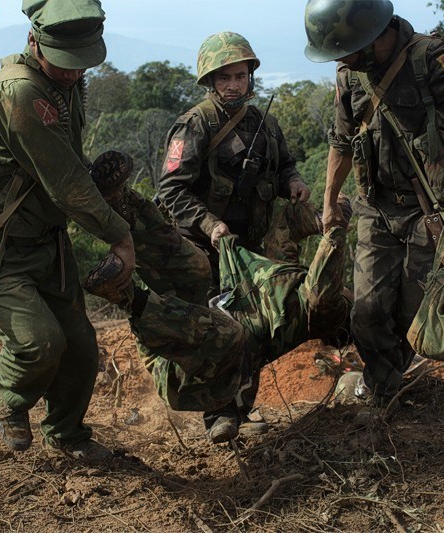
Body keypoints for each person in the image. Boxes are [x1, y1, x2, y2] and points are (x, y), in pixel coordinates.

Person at [0, 0, 208, 462]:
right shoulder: (20, 93)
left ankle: (68, 436)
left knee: (80, 346)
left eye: (80, 64)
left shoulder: (65, 82)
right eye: (65, 64)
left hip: (47, 242)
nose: (73, 74)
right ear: (35, 42)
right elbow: (67, 185)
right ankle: (10, 401)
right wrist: (120, 234)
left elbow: (70, 162)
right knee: (41, 343)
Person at [303, 0, 444, 406]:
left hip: (426, 213)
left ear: (368, 36)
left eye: (344, 50)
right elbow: (342, 140)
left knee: (413, 314)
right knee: (366, 313)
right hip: (375, 209)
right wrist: (330, 201)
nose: (340, 60)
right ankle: (384, 391)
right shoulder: (350, 73)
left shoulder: (432, 58)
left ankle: (389, 383)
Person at [157, 31, 320, 438]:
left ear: (251, 77)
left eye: (240, 76)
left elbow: (284, 167)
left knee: (254, 329)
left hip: (249, 250)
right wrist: (210, 224)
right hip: (203, 248)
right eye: (225, 77)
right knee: (219, 331)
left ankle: (240, 410)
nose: (233, 84)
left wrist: (294, 183)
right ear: (210, 81)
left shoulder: (265, 125)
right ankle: (220, 416)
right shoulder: (195, 124)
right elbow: (170, 190)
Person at [83, 206, 353, 444]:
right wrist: (328, 213)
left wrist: (336, 233)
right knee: (196, 269)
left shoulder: (310, 312)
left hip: (184, 365)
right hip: (181, 324)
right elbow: (287, 225)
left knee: (231, 334)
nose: (352, 291)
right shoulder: (287, 278)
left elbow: (323, 292)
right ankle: (126, 203)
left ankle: (126, 295)